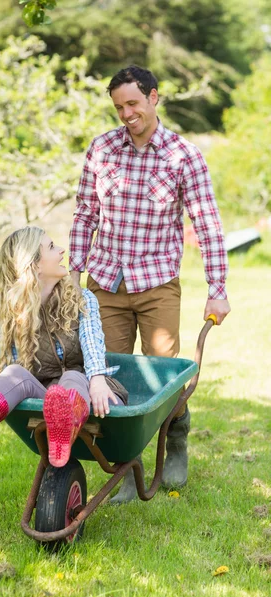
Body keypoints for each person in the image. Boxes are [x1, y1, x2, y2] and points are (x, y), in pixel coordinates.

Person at [69, 65, 231, 500]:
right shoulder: (102, 149)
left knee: (164, 377)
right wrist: (72, 274)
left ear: (154, 97)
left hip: (157, 281)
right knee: (110, 376)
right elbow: (85, 214)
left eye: (133, 103)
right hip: (105, 280)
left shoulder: (184, 155)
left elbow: (208, 224)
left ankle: (175, 441)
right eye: (119, 106)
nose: (126, 113)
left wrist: (217, 287)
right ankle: (127, 466)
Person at [0, 226, 128, 469]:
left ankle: (65, 426)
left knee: (72, 375)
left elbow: (93, 348)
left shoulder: (82, 299)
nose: (62, 250)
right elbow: (13, 369)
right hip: (49, 402)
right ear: (35, 265)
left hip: (94, 395)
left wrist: (98, 379)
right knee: (15, 374)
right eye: (51, 247)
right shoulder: (10, 314)